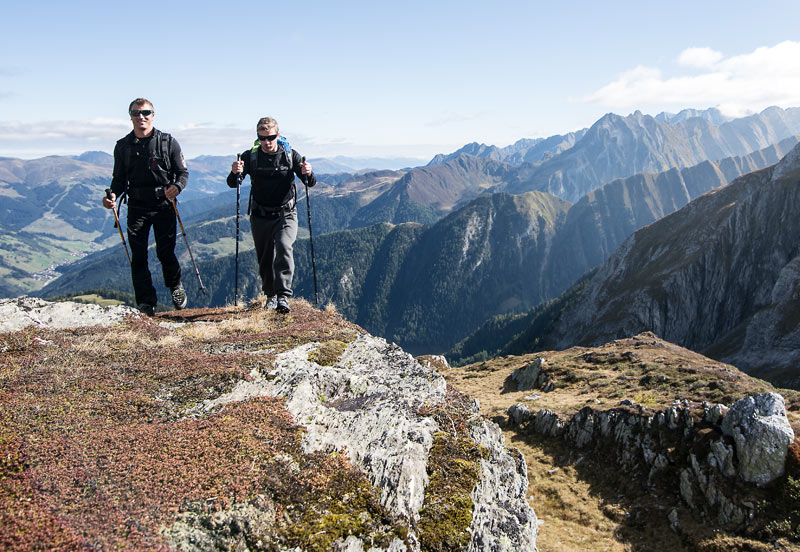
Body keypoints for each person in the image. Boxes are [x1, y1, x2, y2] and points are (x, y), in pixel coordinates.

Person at [102, 98, 189, 316]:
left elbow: (182, 173)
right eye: (136, 113)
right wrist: (112, 196)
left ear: (153, 114)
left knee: (165, 252)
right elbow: (119, 180)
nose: (141, 117)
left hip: (164, 204)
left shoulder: (168, 142)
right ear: (130, 116)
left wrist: (177, 187)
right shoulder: (122, 146)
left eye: (145, 112)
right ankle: (145, 302)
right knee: (138, 256)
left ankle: (175, 286)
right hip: (137, 206)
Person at [228, 117, 315, 313]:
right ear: (258, 137)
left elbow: (310, 182)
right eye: (262, 138)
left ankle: (283, 296)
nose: (267, 142)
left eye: (271, 137)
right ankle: (271, 296)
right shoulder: (250, 156)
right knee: (265, 257)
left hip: (286, 213)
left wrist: (308, 172)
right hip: (260, 214)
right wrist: (235, 173)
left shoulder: (290, 155)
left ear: (278, 135)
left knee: (284, 247)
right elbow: (233, 183)